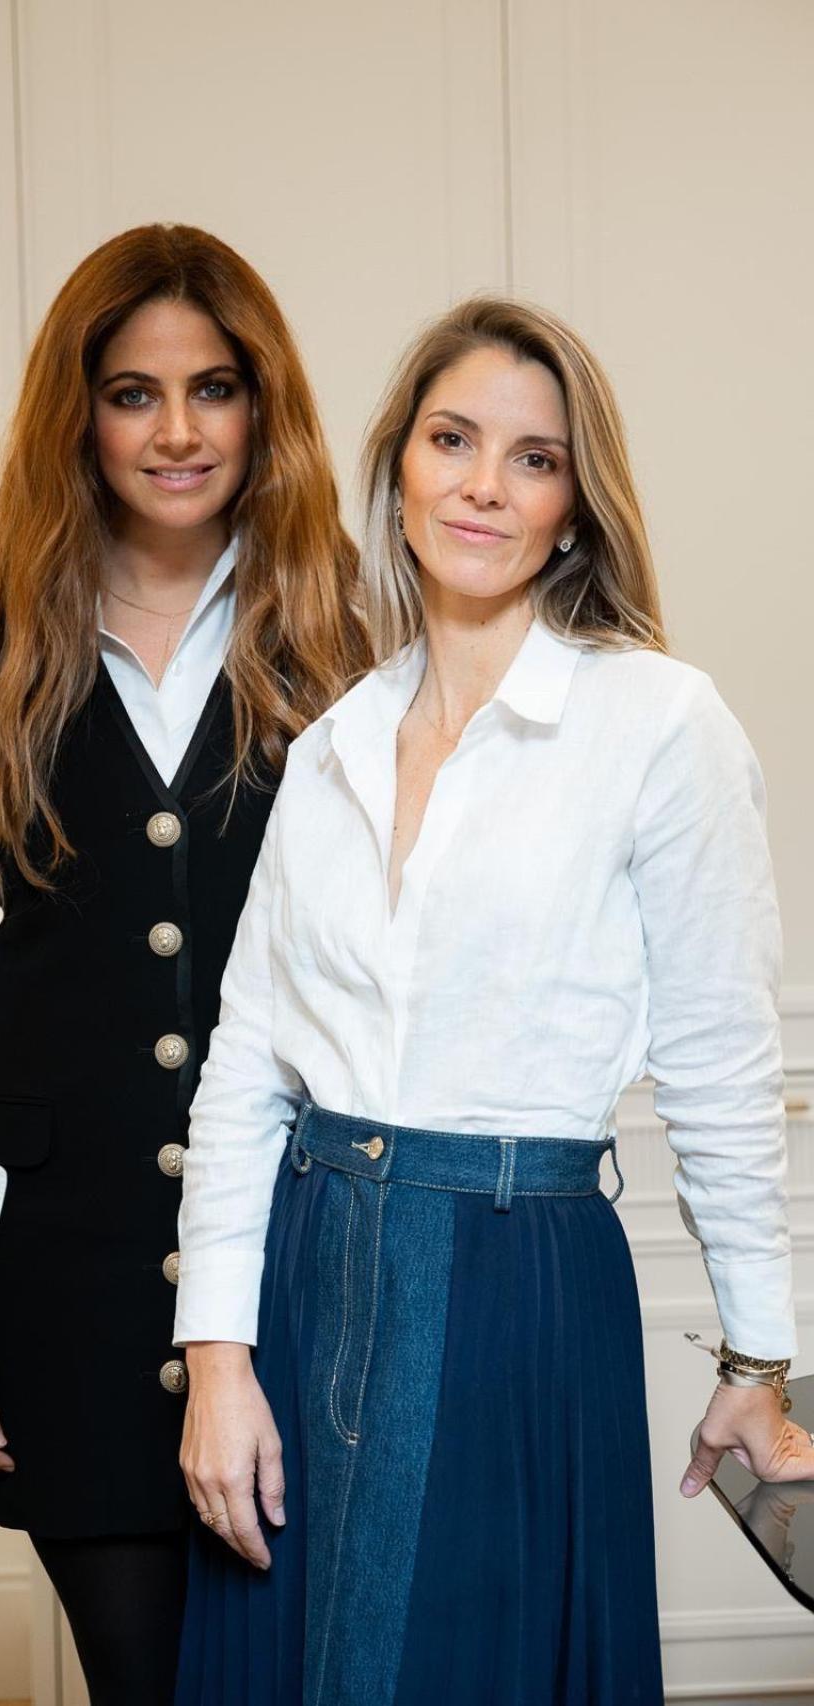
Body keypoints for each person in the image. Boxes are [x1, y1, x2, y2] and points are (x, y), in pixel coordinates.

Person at [170, 296, 812, 1706]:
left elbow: (716, 1065)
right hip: (308, 1267)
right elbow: (244, 1072)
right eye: (453, 439)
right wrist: (217, 1356)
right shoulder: (333, 744)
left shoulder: (658, 724)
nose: (482, 483)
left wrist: (762, 1354)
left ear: (575, 507)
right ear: (397, 467)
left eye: (533, 458)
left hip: (521, 1285)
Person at [0, 222, 369, 1706]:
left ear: (260, 410)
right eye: (134, 392)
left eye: (213, 389)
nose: (176, 430)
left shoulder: (342, 634)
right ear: (77, 415)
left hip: (299, 1262)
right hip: (63, 1284)